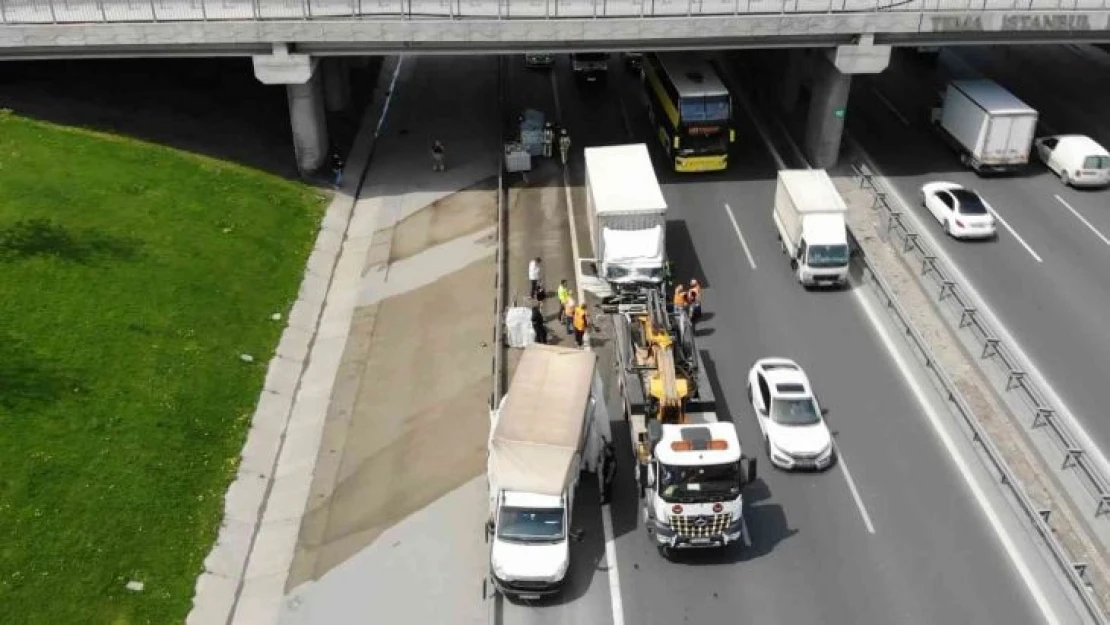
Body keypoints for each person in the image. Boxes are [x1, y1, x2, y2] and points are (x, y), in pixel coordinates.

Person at [598, 438, 617, 505]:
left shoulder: (612, 460)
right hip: (606, 474)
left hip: (608, 476)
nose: (606, 451)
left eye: (607, 450)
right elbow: (606, 447)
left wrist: (608, 479)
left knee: (607, 487)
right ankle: (606, 496)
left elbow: (611, 471)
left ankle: (607, 500)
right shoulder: (609, 456)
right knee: (606, 486)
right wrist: (605, 441)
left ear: (610, 451)